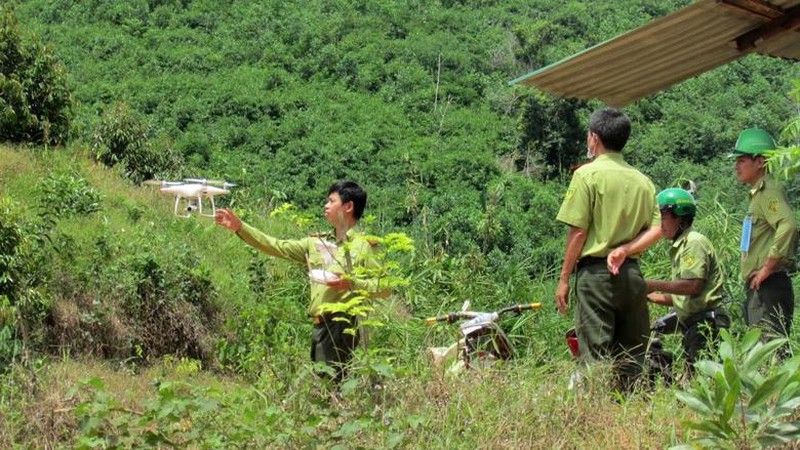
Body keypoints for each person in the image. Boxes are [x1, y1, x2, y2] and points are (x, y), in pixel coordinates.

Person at [215, 180, 389, 382]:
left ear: (348, 206)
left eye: (332, 201)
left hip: (341, 326)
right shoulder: (317, 243)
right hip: (319, 325)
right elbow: (277, 246)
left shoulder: (363, 247)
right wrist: (240, 227)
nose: (325, 205)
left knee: (328, 387)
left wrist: (351, 283)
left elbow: (385, 288)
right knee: (325, 385)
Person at [555, 107, 661, 392]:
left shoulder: (587, 175)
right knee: (631, 356)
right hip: (632, 276)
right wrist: (626, 249)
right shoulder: (643, 181)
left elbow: (578, 231)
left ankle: (597, 417)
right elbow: (657, 229)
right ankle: (629, 415)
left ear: (594, 138)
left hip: (595, 277)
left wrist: (564, 278)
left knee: (596, 356)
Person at [645, 188, 728, 374]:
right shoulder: (681, 246)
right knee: (696, 383)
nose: (660, 224)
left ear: (680, 218)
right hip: (693, 325)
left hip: (706, 325)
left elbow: (693, 286)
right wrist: (647, 294)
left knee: (706, 384)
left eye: (663, 217)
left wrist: (654, 284)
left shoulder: (693, 242)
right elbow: (679, 297)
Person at [732, 128, 797, 341]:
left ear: (760, 162)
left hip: (769, 286)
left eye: (742, 160)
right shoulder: (758, 194)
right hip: (760, 287)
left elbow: (788, 225)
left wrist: (767, 267)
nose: (736, 166)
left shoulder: (768, 191)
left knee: (770, 354)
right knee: (761, 352)